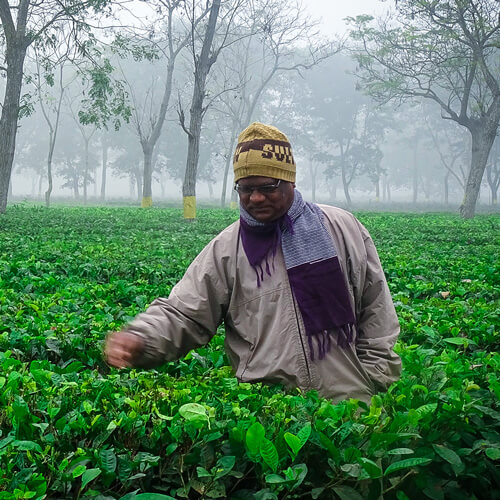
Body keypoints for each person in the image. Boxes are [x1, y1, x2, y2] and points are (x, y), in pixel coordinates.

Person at [105, 122, 401, 403]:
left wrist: (373, 379)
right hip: (270, 412)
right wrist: (141, 339)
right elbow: (184, 313)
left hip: (349, 407)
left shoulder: (342, 228)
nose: (256, 198)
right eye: (245, 189)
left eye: (267, 187)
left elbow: (376, 311)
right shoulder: (226, 250)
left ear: (290, 180)